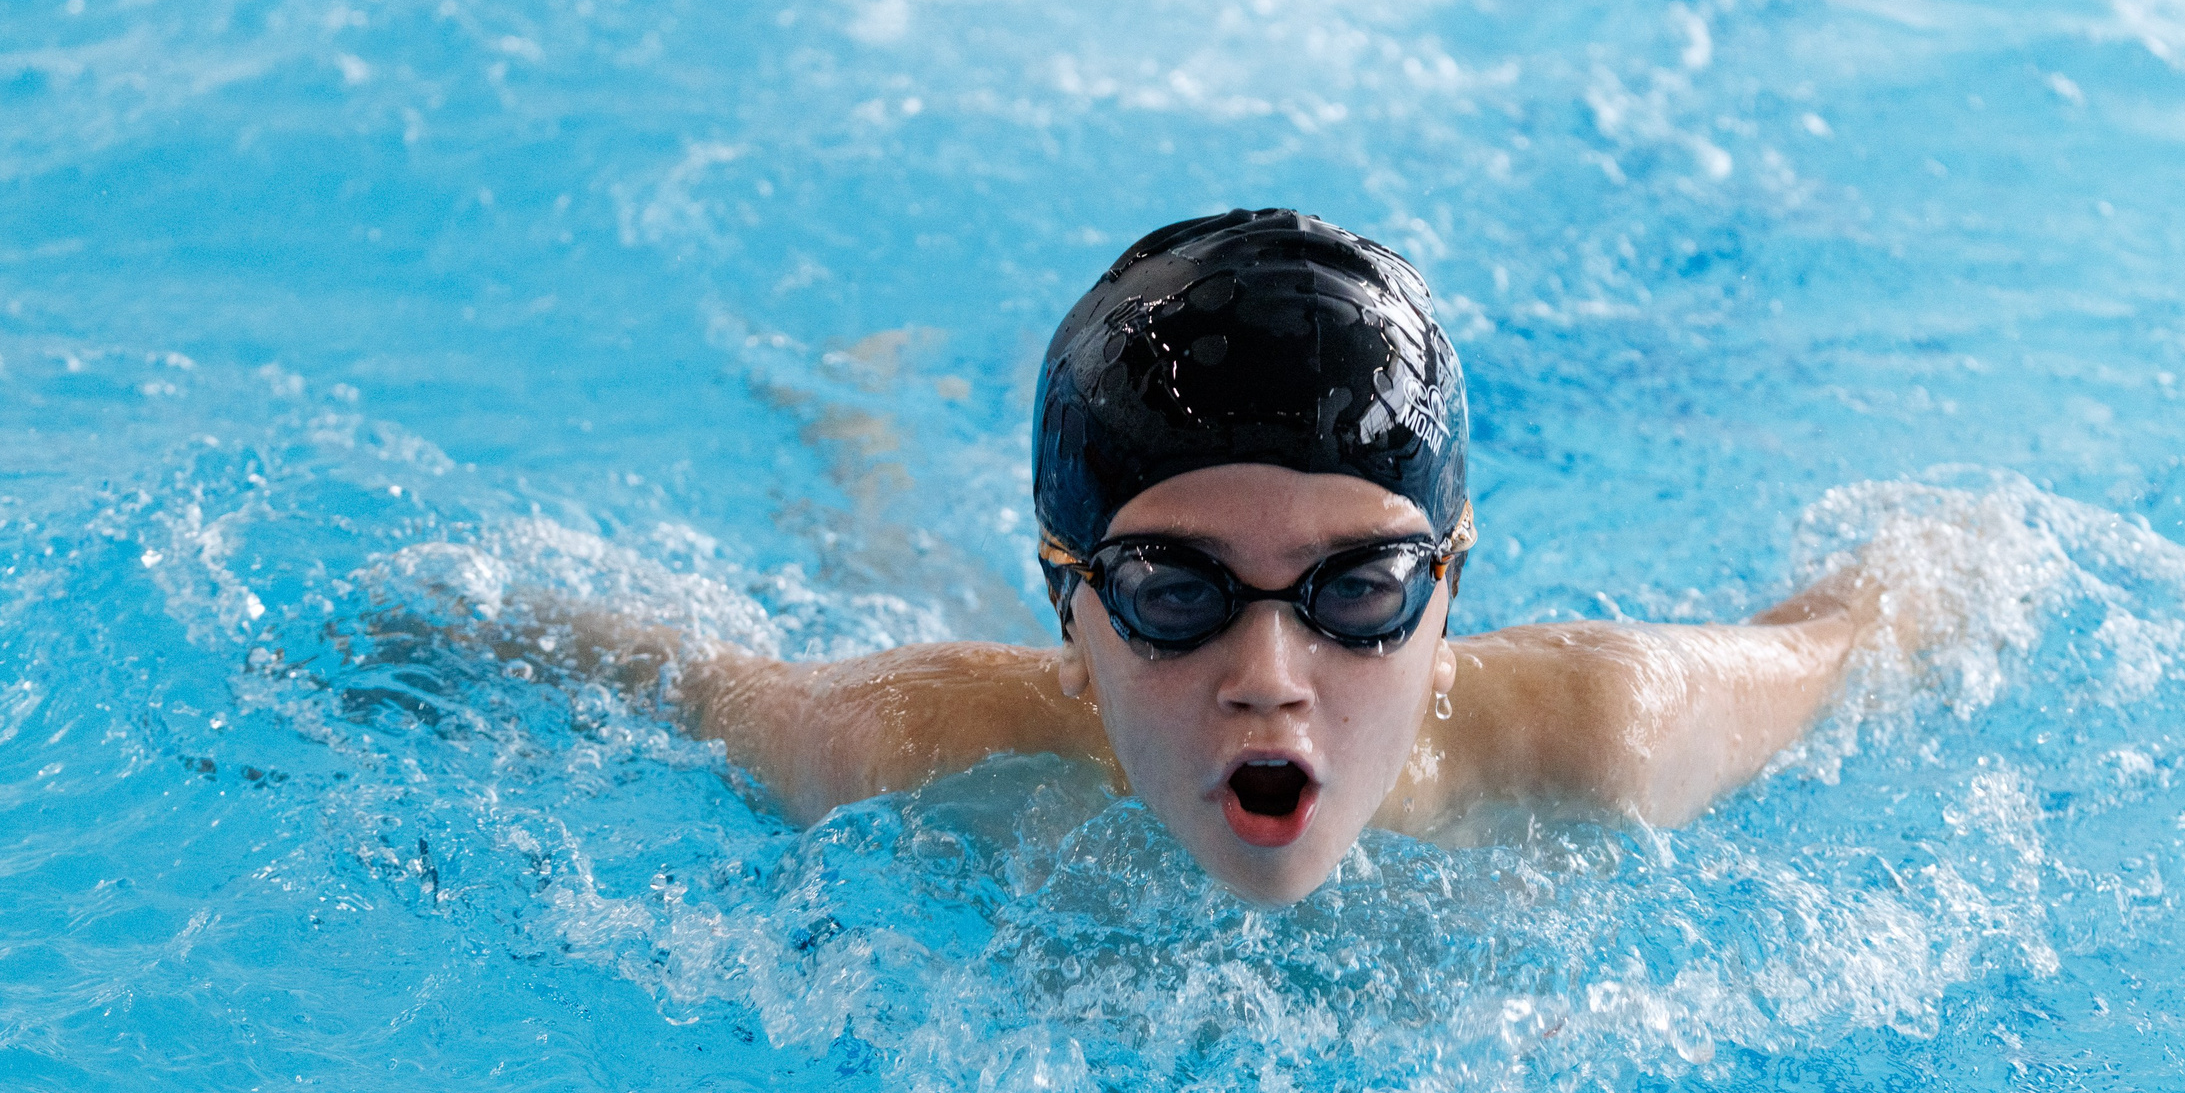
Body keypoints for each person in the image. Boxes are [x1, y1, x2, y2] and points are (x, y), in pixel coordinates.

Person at [537, 209, 1887, 905]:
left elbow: (1876, 616)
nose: (1268, 677)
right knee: (884, 541)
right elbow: (669, 668)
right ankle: (857, 410)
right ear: (1070, 609)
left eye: (1357, 591)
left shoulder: (1606, 732)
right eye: (1174, 594)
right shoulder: (905, 746)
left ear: (1450, 592)